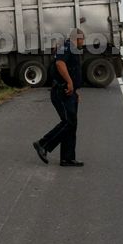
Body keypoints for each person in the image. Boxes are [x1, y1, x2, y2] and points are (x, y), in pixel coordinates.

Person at [32, 28, 85, 167]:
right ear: (77, 38)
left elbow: (71, 69)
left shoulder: (72, 49)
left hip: (69, 92)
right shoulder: (66, 47)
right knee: (68, 122)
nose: (83, 42)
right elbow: (59, 64)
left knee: (71, 124)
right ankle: (43, 144)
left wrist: (75, 90)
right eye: (83, 39)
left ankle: (67, 158)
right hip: (61, 91)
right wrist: (69, 82)